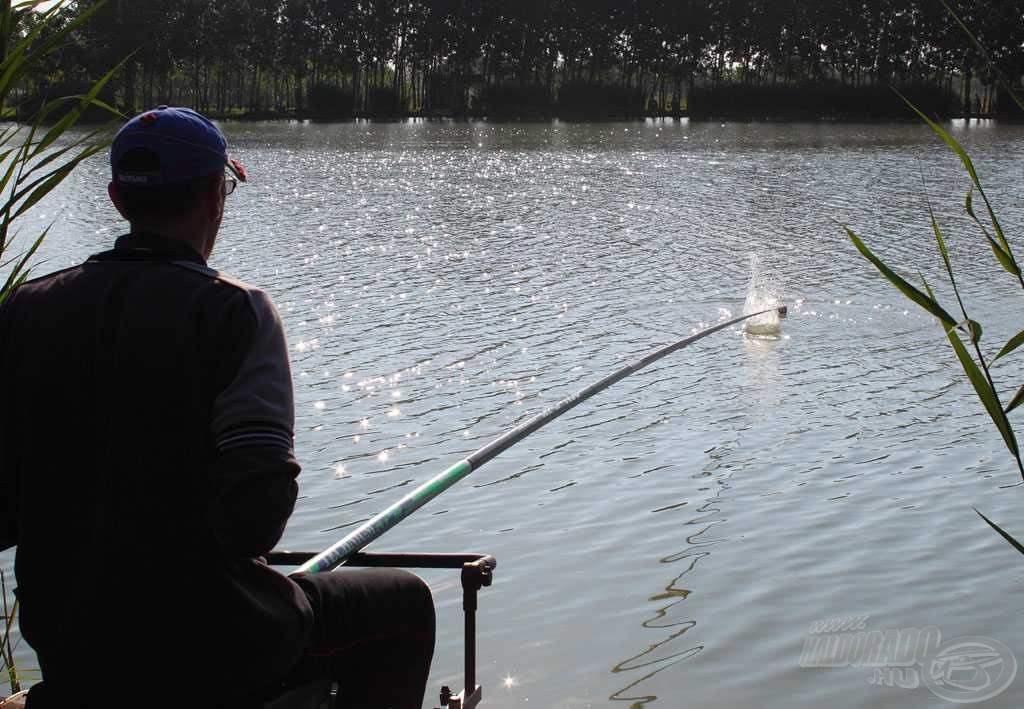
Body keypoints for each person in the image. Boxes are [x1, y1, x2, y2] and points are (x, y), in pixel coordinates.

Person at [0, 107, 435, 708]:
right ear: (213, 194)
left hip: (72, 646)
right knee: (403, 603)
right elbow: (255, 521)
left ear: (118, 200)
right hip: (209, 644)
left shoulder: (22, 310)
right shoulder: (235, 312)